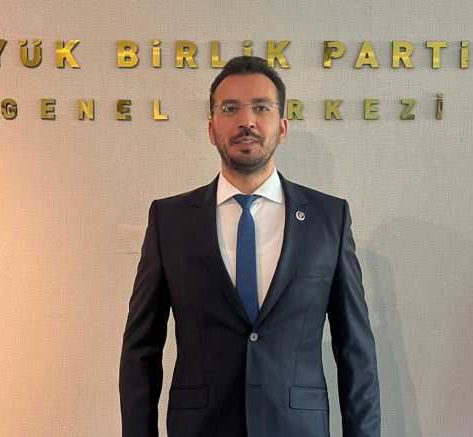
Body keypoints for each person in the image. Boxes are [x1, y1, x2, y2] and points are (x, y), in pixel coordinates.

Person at [119, 56, 380, 437]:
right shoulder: (169, 220)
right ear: (212, 129)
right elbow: (140, 350)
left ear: (282, 127)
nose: (247, 121)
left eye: (261, 107)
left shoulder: (329, 219)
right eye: (230, 109)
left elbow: (355, 350)